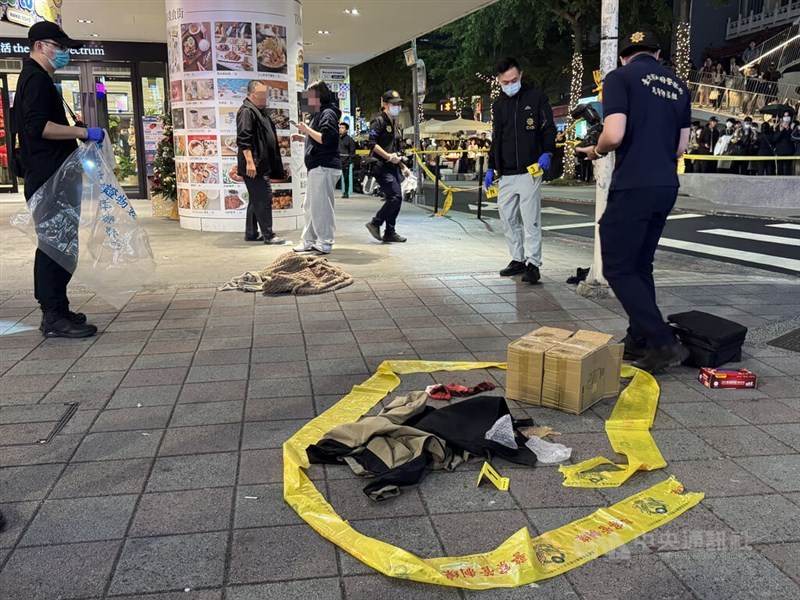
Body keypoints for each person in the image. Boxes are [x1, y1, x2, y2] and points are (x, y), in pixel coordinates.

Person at [577, 31, 691, 373]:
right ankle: (639, 338)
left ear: (624, 56)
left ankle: (662, 342)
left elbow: (614, 134)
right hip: (665, 183)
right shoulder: (679, 86)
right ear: (656, 54)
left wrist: (595, 150)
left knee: (618, 266)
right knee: (641, 264)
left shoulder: (620, 77)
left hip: (635, 183)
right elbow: (680, 147)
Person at [14, 21, 104, 338]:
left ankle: (58, 308)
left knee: (62, 245)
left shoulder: (38, 78)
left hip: (54, 175)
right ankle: (52, 314)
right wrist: (83, 132)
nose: (63, 52)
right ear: (40, 45)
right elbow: (40, 127)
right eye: (59, 46)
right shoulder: (36, 79)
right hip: (49, 178)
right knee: (55, 246)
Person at [485, 57, 556, 284]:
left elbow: (548, 128)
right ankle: (517, 259)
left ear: (521, 76)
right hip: (506, 173)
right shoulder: (498, 105)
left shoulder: (536, 98)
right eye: (505, 81)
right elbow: (496, 138)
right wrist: (490, 166)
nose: (510, 84)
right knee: (507, 217)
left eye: (514, 80)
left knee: (530, 219)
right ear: (499, 81)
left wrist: (548, 151)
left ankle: (533, 264)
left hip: (530, 170)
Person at [291, 81, 341, 254]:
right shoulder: (320, 114)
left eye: (310, 96)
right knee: (311, 206)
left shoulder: (328, 113)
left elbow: (327, 139)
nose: (308, 100)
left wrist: (306, 130)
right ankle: (309, 240)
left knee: (322, 207)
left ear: (319, 96)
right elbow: (319, 139)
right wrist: (304, 137)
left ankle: (325, 242)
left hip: (324, 166)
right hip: (318, 166)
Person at [237, 80, 285, 244]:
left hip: (261, 164)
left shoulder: (259, 111)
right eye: (261, 95)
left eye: (266, 94)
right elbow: (244, 138)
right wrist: (250, 162)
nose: (265, 98)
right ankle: (269, 235)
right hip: (254, 165)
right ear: (250, 94)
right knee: (264, 198)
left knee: (255, 198)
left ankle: (251, 233)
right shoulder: (246, 112)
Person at [365, 90, 412, 243]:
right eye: (394, 104)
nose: (397, 107)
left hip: (393, 167)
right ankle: (376, 222)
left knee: (397, 199)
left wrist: (402, 165)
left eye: (399, 104)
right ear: (385, 105)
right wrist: (388, 156)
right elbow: (371, 143)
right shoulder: (378, 121)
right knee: (395, 197)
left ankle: (390, 231)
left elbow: (395, 148)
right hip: (381, 165)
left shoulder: (395, 124)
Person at [774, 111, 796, 176]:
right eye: (785, 116)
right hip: (780, 151)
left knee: (788, 169)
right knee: (780, 169)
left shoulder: (793, 126)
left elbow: (792, 138)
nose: (786, 118)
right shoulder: (778, 127)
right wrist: (781, 131)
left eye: (788, 116)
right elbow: (775, 139)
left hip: (789, 151)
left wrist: (788, 129)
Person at [338, 121, 356, 198]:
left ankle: (346, 192)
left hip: (345, 161)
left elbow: (352, 152)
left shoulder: (350, 140)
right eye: (340, 127)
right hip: (337, 160)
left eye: (343, 128)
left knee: (346, 177)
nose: (340, 129)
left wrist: (349, 162)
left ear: (346, 130)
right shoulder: (336, 139)